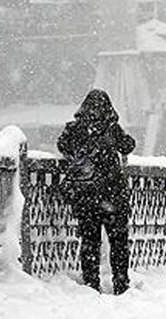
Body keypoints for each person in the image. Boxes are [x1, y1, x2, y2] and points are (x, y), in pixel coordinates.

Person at [57, 89, 136, 294]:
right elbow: (128, 146)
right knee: (118, 243)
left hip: (86, 196)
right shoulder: (111, 128)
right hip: (112, 196)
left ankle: (91, 284)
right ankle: (121, 283)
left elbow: (62, 146)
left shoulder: (75, 129)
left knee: (90, 243)